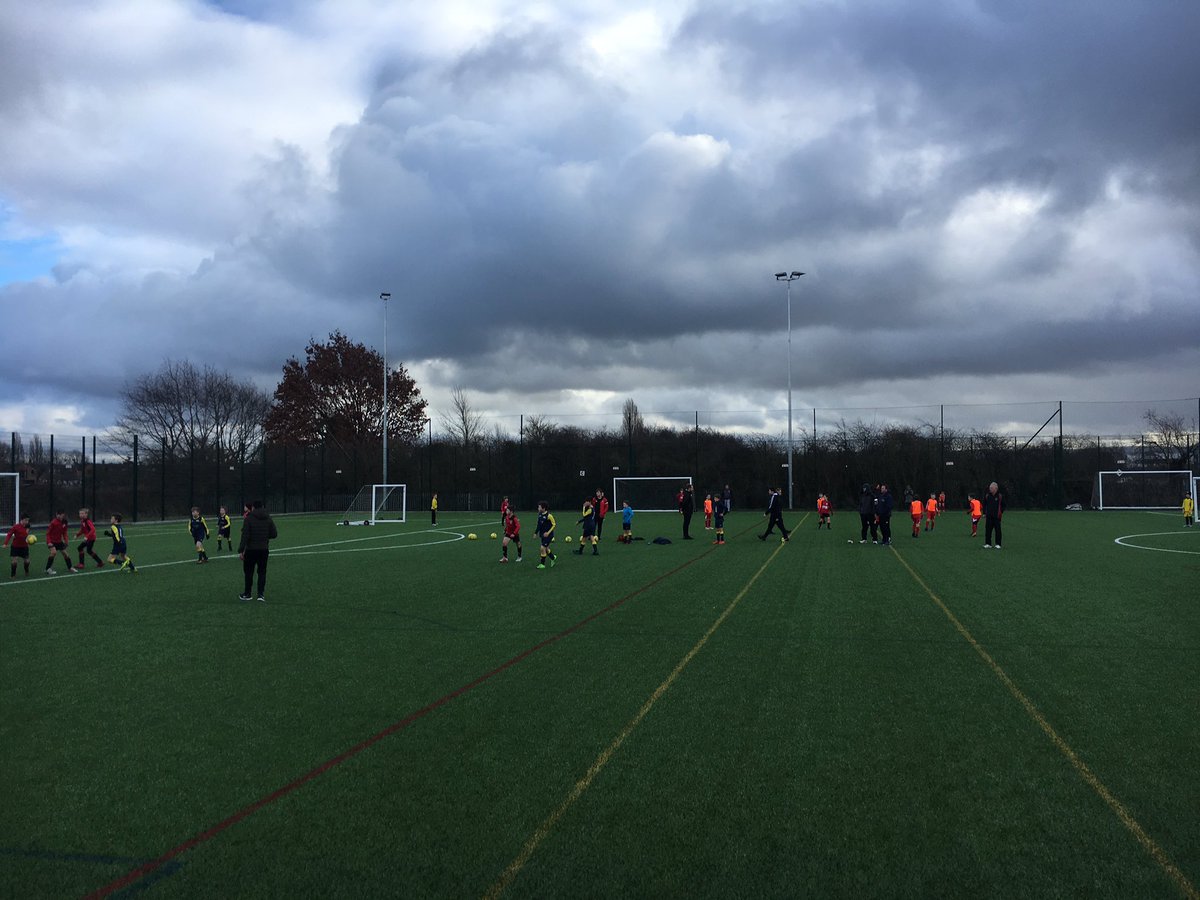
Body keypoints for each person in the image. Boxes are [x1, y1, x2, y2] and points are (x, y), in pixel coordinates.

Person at [238, 499, 278, 601]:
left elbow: (245, 535)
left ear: (253, 508)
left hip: (251, 549)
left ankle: (248, 594)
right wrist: (264, 536)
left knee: (249, 572)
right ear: (262, 507)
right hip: (264, 549)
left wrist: (241, 550)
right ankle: (261, 594)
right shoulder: (268, 517)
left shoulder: (249, 518)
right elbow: (274, 534)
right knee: (262, 572)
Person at [45, 511, 78, 575]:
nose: (60, 516)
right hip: (52, 541)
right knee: (53, 552)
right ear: (56, 515)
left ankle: (70, 567)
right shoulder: (53, 523)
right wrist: (49, 542)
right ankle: (48, 569)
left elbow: (64, 533)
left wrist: (66, 541)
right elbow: (48, 533)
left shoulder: (64, 522)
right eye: (59, 515)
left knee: (65, 554)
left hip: (59, 542)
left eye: (62, 515)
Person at [5, 514, 33, 578]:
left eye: (28, 520)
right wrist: (5, 543)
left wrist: (30, 540)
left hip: (24, 546)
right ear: (22, 520)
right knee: (14, 561)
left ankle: (26, 571)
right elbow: (9, 534)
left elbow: (25, 535)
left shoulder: (27, 526)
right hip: (15, 546)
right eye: (26, 520)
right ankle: (13, 575)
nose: (27, 522)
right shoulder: (15, 527)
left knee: (27, 561)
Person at [534, 501, 557, 570]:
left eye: (539, 507)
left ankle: (542, 564)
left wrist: (548, 532)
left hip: (549, 535)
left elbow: (554, 524)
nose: (538, 508)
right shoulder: (540, 514)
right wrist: (535, 533)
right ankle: (553, 557)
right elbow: (539, 525)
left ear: (543, 508)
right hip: (542, 535)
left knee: (542, 548)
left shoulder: (549, 516)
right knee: (546, 549)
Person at [982, 482, 1003, 549]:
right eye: (990, 488)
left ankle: (998, 544)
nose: (990, 489)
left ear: (996, 488)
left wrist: (1000, 512)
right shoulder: (987, 495)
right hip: (989, 517)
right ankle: (988, 544)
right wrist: (984, 513)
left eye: (991, 488)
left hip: (997, 517)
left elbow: (1003, 505)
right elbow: (984, 504)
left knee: (998, 531)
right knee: (988, 530)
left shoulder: (1000, 496)